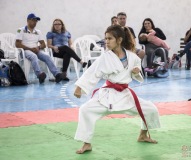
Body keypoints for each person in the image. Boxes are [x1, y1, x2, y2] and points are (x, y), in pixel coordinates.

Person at [73, 25, 160, 154]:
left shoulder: (132, 57)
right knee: (85, 110)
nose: (106, 41)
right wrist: (79, 88)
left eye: (110, 38)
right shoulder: (105, 57)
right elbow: (92, 72)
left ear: (119, 40)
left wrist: (136, 72)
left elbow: (137, 73)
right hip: (108, 95)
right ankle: (87, 143)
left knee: (151, 109)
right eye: (106, 38)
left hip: (125, 95)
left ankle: (142, 135)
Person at [15, 13, 64, 84]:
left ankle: (56, 75)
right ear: (28, 20)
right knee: (33, 56)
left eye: (36, 21)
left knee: (47, 56)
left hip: (36, 50)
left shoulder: (38, 32)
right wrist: (30, 48)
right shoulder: (20, 30)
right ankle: (40, 75)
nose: (35, 22)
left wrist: (38, 47)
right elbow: (17, 44)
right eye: (33, 20)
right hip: (25, 51)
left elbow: (43, 44)